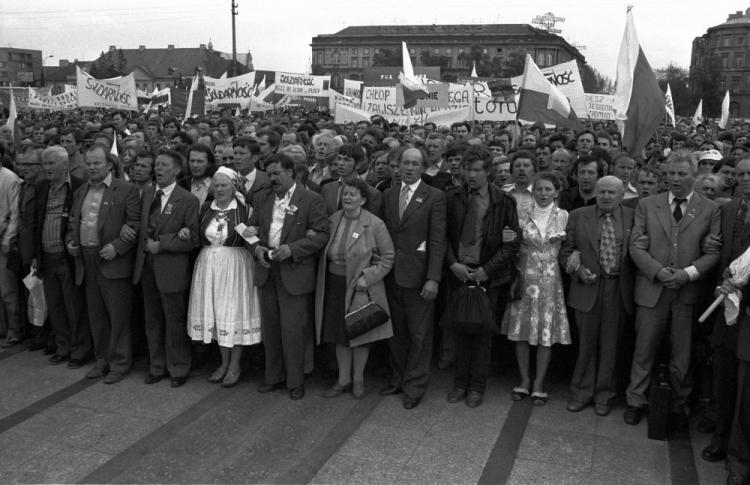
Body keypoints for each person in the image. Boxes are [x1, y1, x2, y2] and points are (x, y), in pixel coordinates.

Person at [624, 150, 721, 426]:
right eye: (670, 174)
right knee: (644, 349)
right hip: (652, 289)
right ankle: (636, 400)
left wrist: (688, 274)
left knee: (683, 353)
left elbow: (713, 252)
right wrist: (658, 271)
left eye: (681, 174)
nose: (675, 179)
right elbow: (636, 246)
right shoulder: (647, 204)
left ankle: (679, 403)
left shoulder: (710, 209)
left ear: (694, 175)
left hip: (686, 292)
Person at [444, 146, 520, 408]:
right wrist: (453, 263)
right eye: (468, 169)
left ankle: (477, 386)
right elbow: (441, 236)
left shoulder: (504, 201)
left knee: (483, 332)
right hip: (459, 272)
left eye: (478, 170)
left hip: (489, 275)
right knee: (460, 329)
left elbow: (511, 244)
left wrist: (487, 270)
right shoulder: (452, 197)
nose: (472, 175)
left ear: (488, 172)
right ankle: (460, 382)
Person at [249, 153, 329, 400]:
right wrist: (256, 247)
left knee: (293, 330)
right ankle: (273, 376)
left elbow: (321, 235)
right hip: (267, 270)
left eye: (276, 174)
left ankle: (296, 380)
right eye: (269, 174)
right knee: (271, 329)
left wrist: (292, 249)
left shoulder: (311, 199)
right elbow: (249, 229)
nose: (272, 178)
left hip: (294, 272)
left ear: (291, 173)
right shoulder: (262, 197)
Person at [559, 176, 635, 416]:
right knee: (587, 345)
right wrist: (579, 270)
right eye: (602, 192)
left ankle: (605, 394)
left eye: (612, 192)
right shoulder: (579, 215)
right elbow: (565, 251)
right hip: (588, 287)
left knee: (611, 345)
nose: (606, 196)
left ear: (622, 195)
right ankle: (581, 392)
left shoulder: (633, 217)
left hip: (618, 289)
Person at [66, 143, 141, 384]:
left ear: (109, 164)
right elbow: (72, 223)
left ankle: (120, 362)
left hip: (112, 260)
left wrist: (117, 247)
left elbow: (135, 224)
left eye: (97, 163)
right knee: (96, 314)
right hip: (86, 259)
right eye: (88, 163)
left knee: (117, 315)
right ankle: (102, 360)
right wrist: (70, 241)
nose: (92, 167)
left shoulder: (126, 189)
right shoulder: (80, 191)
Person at [314, 178, 394, 399]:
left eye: (353, 194)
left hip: (360, 288)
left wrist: (367, 279)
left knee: (360, 333)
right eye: (345, 194)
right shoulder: (333, 219)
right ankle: (343, 379)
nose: (347, 198)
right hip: (334, 284)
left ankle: (358, 380)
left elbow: (388, 257)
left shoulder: (375, 224)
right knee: (339, 334)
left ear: (364, 199)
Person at [379, 148, 447, 410]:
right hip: (391, 275)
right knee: (396, 332)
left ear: (423, 167)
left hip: (419, 277)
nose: (408, 168)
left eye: (414, 164)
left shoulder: (434, 196)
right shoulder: (389, 194)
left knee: (420, 335)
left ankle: (415, 385)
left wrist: (433, 278)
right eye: (404, 163)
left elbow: (437, 240)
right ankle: (398, 378)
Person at [188, 166, 262, 387]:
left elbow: (255, 233)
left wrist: (255, 231)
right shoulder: (204, 208)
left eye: (224, 185)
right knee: (216, 312)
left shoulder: (245, 209)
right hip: (209, 264)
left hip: (235, 265)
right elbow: (196, 235)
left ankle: (235, 364)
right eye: (216, 186)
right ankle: (223, 361)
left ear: (233, 187)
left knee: (232, 311)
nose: (219, 190)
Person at [132, 148, 200, 388]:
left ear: (177, 170)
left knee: (174, 319)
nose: (158, 169)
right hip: (146, 267)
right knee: (152, 319)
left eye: (163, 165)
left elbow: (192, 237)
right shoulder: (147, 194)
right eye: (157, 165)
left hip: (171, 268)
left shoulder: (188, 199)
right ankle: (156, 366)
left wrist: (161, 245)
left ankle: (178, 367)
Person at [502, 172, 570, 406]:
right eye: (539, 189)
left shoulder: (563, 216)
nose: (543, 194)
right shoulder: (522, 215)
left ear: (556, 191)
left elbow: (569, 248)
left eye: (548, 189)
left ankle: (539, 383)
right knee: (521, 332)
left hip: (551, 284)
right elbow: (511, 245)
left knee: (545, 334)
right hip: (525, 279)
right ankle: (523, 379)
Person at [702, 157, 750, 465]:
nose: (745, 178)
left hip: (748, 311)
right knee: (723, 376)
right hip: (723, 308)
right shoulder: (728, 209)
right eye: (742, 174)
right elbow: (717, 254)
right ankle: (720, 438)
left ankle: (738, 447)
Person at [35, 146, 90, 367]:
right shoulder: (41, 188)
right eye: (44, 164)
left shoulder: (78, 186)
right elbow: (35, 220)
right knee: (55, 307)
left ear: (65, 164)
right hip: (46, 257)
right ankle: (63, 345)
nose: (46, 168)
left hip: (67, 257)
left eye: (51, 163)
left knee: (74, 306)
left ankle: (80, 349)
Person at [0, 156, 21, 348]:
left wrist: (8, 240)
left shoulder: (10, 179)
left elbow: (15, 214)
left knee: (8, 291)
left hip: (4, 241)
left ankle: (14, 331)